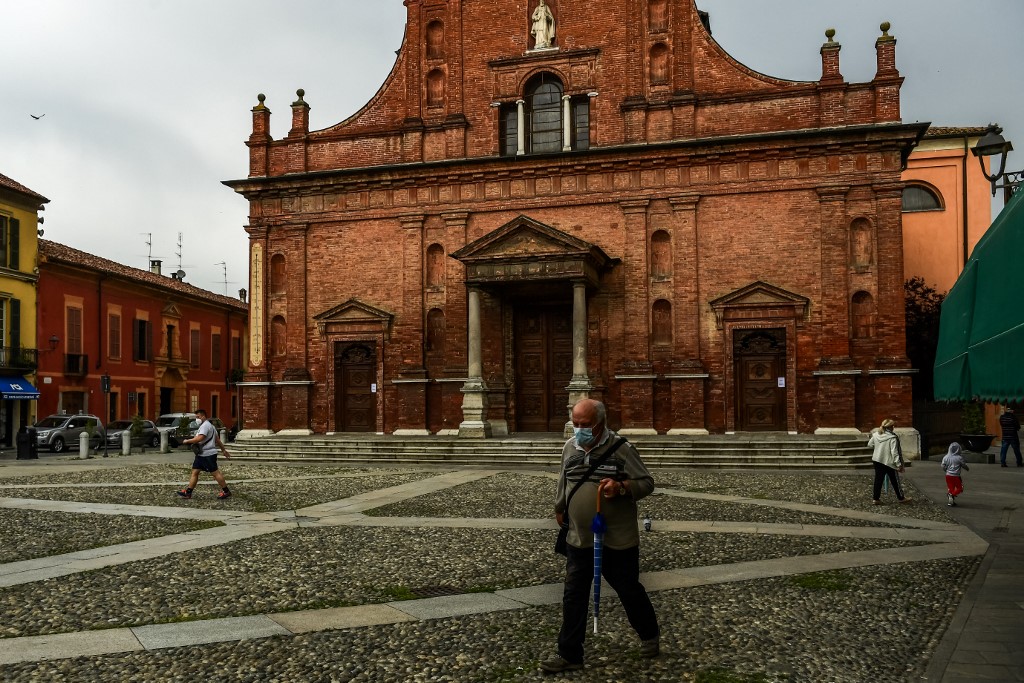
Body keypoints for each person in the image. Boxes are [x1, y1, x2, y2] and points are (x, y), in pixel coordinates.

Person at [540, 398, 659, 674]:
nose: (579, 430)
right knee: (573, 595)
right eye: (576, 424)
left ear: (601, 423)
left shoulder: (622, 449)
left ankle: (649, 634)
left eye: (586, 425)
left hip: (617, 538)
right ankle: (569, 654)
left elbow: (646, 483)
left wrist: (621, 487)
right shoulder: (570, 447)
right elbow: (564, 479)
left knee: (628, 590)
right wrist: (560, 507)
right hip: (579, 537)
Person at [176, 409, 231, 500]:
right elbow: (217, 440)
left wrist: (187, 441)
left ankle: (226, 491)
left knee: (215, 473)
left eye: (198, 417)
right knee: (195, 472)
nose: (196, 419)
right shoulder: (211, 427)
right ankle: (188, 492)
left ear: (203, 416)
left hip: (207, 454)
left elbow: (200, 438)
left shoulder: (205, 426)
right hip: (202, 454)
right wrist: (224, 450)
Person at [867, 418, 911, 505]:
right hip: (889, 462)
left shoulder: (876, 434)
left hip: (877, 460)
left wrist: (879, 448)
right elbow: (894, 452)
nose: (894, 427)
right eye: (893, 426)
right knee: (895, 480)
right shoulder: (892, 437)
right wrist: (899, 464)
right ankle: (901, 498)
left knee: (878, 480)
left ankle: (876, 499)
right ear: (890, 427)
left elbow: (870, 444)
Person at [940, 442, 969, 506]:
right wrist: (967, 468)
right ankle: (951, 495)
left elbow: (943, 466)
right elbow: (963, 465)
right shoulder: (959, 458)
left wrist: (946, 470)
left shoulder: (946, 457)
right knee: (960, 488)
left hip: (948, 475)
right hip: (956, 476)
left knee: (951, 488)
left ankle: (951, 502)